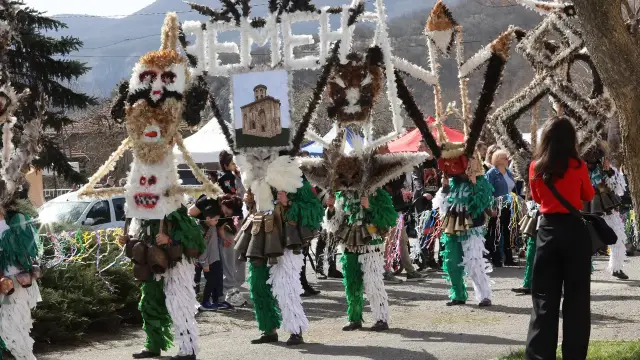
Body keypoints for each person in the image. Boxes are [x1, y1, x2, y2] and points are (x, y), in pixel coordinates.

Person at [525, 117, 594, 360]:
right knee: (577, 299)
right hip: (574, 231)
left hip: (547, 231)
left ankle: (539, 356)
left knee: (543, 298)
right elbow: (588, 193)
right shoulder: (579, 165)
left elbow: (535, 197)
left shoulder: (536, 166)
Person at [324, 188, 396, 332]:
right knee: (352, 281)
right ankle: (354, 318)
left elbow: (390, 218)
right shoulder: (341, 195)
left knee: (373, 281)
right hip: (348, 242)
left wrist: (370, 207)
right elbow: (333, 226)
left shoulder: (376, 192)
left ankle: (381, 318)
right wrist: (331, 209)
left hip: (370, 243)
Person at [382, 173, 426, 282]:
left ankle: (410, 271)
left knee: (402, 240)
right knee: (389, 241)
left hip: (397, 207)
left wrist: (404, 194)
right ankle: (384, 271)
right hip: (387, 207)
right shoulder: (391, 165)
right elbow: (386, 184)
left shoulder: (401, 167)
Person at [485, 150, 519, 267]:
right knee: (496, 233)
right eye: (505, 158)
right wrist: (490, 209)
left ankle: (508, 258)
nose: (507, 160)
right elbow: (487, 192)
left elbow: (513, 188)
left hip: (509, 206)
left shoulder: (508, 172)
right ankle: (496, 259)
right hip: (497, 206)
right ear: (498, 159)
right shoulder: (491, 173)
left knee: (508, 232)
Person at [412, 143, 442, 270]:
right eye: (425, 147)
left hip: (437, 200)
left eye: (429, 147)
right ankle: (422, 258)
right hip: (422, 200)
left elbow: (442, 179)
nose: (428, 150)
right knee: (424, 230)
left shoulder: (438, 162)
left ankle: (431, 258)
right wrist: (423, 192)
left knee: (436, 229)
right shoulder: (418, 163)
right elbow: (416, 179)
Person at [199, 205, 226, 311]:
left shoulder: (212, 226)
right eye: (215, 219)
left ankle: (216, 301)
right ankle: (205, 302)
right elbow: (202, 249)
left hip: (216, 258)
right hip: (208, 261)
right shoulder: (203, 230)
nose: (217, 221)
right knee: (210, 282)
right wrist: (204, 264)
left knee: (217, 280)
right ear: (207, 218)